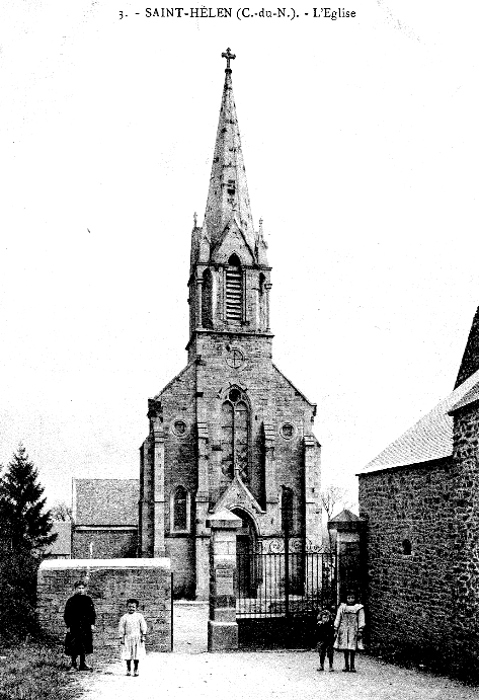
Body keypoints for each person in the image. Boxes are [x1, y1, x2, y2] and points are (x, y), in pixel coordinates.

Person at [64, 580, 96, 671]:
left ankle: (83, 664)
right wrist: (69, 625)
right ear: (75, 589)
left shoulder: (88, 600)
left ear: (85, 589)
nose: (81, 590)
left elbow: (92, 613)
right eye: (79, 588)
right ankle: (73, 664)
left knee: (84, 645)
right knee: (73, 644)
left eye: (82, 588)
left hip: (85, 626)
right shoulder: (71, 600)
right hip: (75, 626)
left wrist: (92, 623)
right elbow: (67, 614)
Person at [334, 591, 365, 672]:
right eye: (349, 598)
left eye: (352, 598)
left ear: (355, 598)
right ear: (346, 598)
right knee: (345, 648)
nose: (351, 600)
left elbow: (361, 619)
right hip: (344, 629)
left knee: (352, 647)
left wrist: (360, 629)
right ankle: (346, 664)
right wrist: (336, 628)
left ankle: (352, 665)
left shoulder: (358, 607)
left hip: (353, 629)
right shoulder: (342, 607)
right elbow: (338, 617)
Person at [118, 598, 148, 677]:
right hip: (128, 638)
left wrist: (143, 635)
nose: (131, 608)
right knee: (127, 654)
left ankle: (136, 669)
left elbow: (143, 626)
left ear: (136, 608)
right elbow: (121, 627)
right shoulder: (124, 617)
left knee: (136, 654)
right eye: (129, 607)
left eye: (133, 607)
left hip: (137, 638)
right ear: (127, 607)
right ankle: (128, 669)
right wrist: (121, 637)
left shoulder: (139, 616)